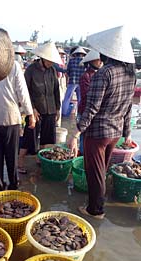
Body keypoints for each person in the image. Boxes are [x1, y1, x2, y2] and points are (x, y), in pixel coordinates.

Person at [68, 25, 136, 219]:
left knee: (94, 171)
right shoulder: (130, 74)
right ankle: (96, 202)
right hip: (114, 134)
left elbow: (92, 108)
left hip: (98, 133)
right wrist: (127, 133)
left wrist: (76, 132)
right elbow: (128, 107)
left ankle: (96, 210)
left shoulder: (104, 73)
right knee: (102, 170)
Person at [0, 28, 35, 191]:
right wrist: (30, 113)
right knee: (11, 156)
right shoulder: (15, 66)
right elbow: (22, 93)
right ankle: (13, 185)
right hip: (10, 118)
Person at [18, 42, 61, 174]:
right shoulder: (31, 70)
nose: (51, 63)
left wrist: (58, 108)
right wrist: (32, 109)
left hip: (50, 109)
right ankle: (19, 161)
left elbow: (56, 90)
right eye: (49, 60)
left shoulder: (52, 70)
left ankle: (40, 158)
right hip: (35, 110)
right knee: (29, 136)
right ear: (43, 57)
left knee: (47, 138)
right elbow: (25, 92)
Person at [77, 49, 102, 154]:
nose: (100, 62)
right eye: (98, 60)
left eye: (101, 60)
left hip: (93, 112)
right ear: (91, 61)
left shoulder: (100, 75)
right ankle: (82, 158)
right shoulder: (86, 76)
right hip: (84, 112)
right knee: (84, 137)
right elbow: (86, 96)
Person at [62, 46, 87, 116]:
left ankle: (64, 113)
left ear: (75, 53)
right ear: (82, 54)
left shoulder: (71, 60)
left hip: (72, 81)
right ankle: (80, 113)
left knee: (67, 98)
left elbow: (68, 71)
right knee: (80, 98)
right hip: (81, 82)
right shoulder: (85, 61)